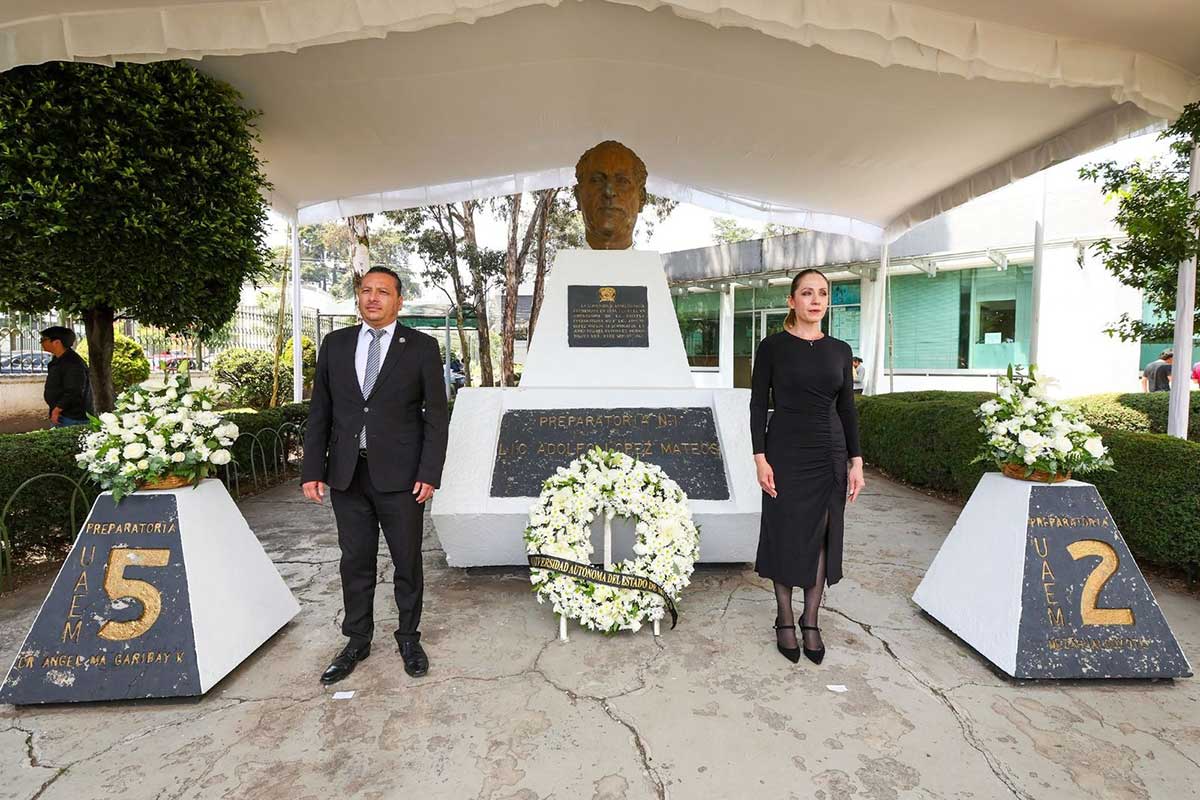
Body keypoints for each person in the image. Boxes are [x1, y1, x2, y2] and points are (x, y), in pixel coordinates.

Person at [301, 267, 449, 684]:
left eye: (383, 292)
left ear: (399, 301)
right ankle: (356, 640)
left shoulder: (421, 347)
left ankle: (408, 637)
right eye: (366, 291)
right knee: (355, 562)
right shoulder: (335, 344)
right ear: (358, 298)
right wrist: (313, 469)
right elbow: (321, 413)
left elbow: (436, 417)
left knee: (407, 561)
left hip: (402, 478)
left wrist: (429, 472)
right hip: (348, 475)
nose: (373, 298)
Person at [750, 270, 865, 665]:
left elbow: (847, 409)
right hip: (784, 451)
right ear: (792, 301)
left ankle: (810, 619)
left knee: (821, 537)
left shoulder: (840, 350)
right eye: (806, 293)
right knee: (785, 532)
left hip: (829, 454)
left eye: (822, 293)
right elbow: (756, 406)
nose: (815, 300)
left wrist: (856, 462)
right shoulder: (772, 348)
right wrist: (760, 457)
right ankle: (784, 618)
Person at [574, 140, 647, 250]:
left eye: (622, 181)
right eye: (597, 180)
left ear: (642, 198)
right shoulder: (562, 266)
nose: (609, 192)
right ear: (578, 196)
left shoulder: (653, 267)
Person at [39, 326, 93, 427]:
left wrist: (57, 410)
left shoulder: (73, 363)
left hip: (71, 417)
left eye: (44, 339)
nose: (41, 342)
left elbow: (74, 391)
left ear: (57, 342)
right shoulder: (57, 360)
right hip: (62, 414)